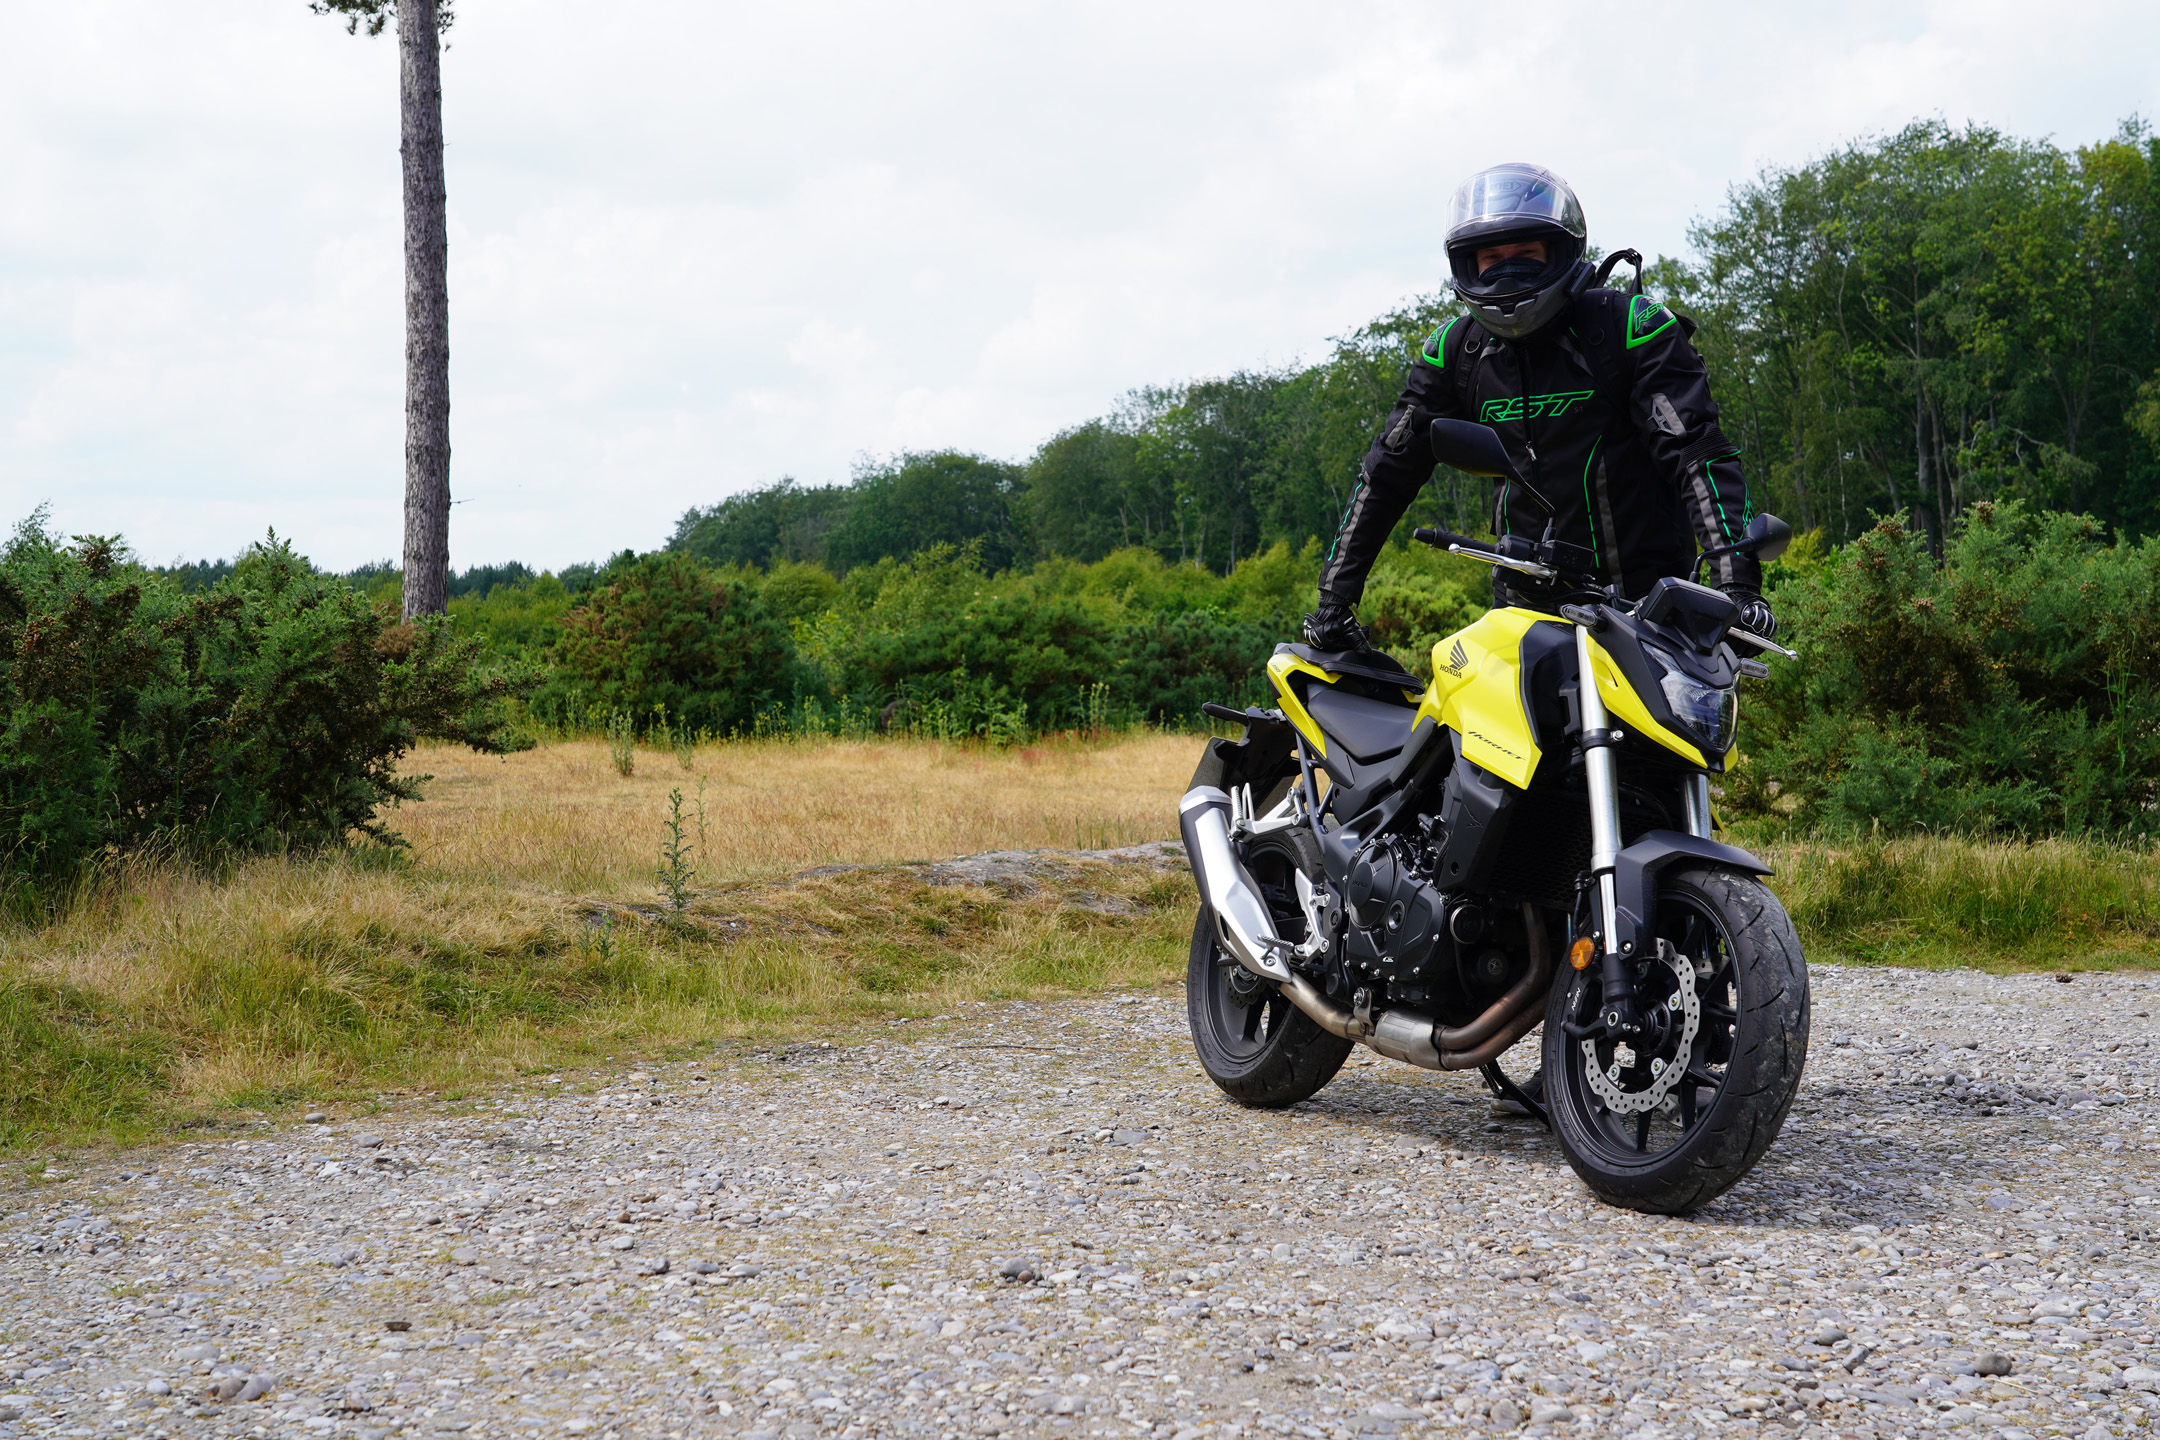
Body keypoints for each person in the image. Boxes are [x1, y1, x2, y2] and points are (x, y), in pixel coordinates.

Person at [1302, 162, 1776, 660]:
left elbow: (1698, 451)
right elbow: (1387, 470)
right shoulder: (1454, 351)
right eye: (1492, 257)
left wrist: (1735, 588)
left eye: (1526, 253)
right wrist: (1335, 599)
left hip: (1651, 615)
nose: (1508, 268)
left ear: (1562, 251)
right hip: (1522, 618)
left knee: (1689, 737)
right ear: (1469, 264)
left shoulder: (1632, 328)